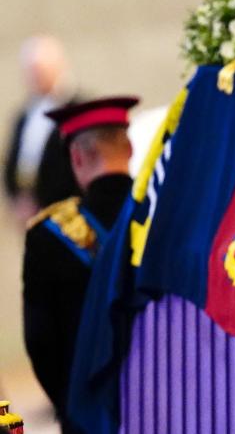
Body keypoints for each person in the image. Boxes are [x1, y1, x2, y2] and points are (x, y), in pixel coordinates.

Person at [22, 96, 138, 434]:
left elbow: (41, 342)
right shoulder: (163, 216)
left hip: (87, 415)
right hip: (166, 406)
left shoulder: (48, 236)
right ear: (129, 148)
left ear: (76, 157)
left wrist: (70, 406)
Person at [3, 35, 80, 227]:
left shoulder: (77, 110)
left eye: (41, 71)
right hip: (31, 215)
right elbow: (12, 161)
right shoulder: (24, 116)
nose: (36, 77)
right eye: (32, 72)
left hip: (68, 213)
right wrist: (18, 198)